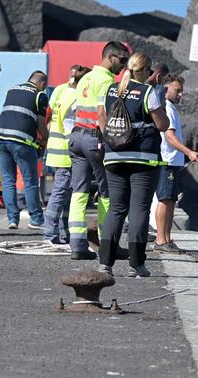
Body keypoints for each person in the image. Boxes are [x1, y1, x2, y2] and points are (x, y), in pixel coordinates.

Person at [96, 52, 169, 277]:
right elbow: (162, 125)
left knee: (116, 208)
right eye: (149, 71)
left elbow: (101, 118)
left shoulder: (110, 89)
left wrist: (112, 141)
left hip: (114, 157)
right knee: (139, 209)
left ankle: (105, 263)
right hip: (142, 159)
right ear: (145, 71)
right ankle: (136, 264)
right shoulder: (147, 92)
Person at [69, 41, 129, 260]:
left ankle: (77, 245)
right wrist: (111, 141)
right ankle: (108, 245)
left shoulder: (86, 77)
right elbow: (103, 114)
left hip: (77, 137)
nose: (124, 65)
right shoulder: (106, 81)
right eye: (122, 60)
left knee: (79, 192)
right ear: (110, 57)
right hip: (94, 139)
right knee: (107, 192)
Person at [0, 70, 49, 230]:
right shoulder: (40, 95)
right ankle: (36, 219)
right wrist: (46, 138)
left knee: (8, 180)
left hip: (0, 137)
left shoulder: (12, 89)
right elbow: (41, 122)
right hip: (21, 141)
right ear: (42, 84)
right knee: (30, 181)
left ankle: (12, 219)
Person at [153, 74, 198, 253]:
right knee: (165, 200)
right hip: (166, 161)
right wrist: (189, 152)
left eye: (181, 91)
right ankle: (160, 240)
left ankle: (167, 239)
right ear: (166, 89)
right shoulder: (166, 107)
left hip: (173, 162)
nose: (181, 94)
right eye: (177, 90)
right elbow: (169, 137)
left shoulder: (171, 107)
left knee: (171, 201)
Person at [43, 65, 89, 244]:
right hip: (66, 152)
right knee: (61, 193)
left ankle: (64, 234)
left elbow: (51, 116)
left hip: (58, 149)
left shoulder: (62, 91)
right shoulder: (76, 96)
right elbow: (71, 127)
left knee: (66, 194)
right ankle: (50, 234)